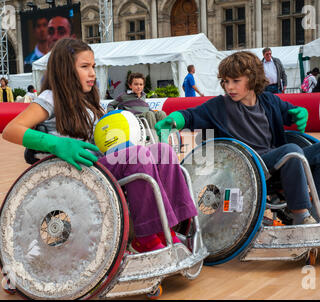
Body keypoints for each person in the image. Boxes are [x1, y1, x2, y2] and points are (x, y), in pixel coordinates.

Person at [2, 38, 198, 254]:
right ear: (65, 70)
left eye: (93, 67)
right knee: (136, 156)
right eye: (85, 67)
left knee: (162, 152)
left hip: (96, 167)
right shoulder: (51, 97)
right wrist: (57, 143)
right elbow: (12, 130)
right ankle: (146, 237)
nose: (92, 73)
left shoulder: (89, 102)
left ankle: (172, 225)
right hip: (74, 172)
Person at [155, 51, 320, 225]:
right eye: (226, 81)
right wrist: (174, 120)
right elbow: (190, 115)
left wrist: (299, 113)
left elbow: (289, 112)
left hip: (276, 161)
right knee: (292, 152)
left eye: (235, 81)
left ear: (252, 78)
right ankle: (301, 216)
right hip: (247, 165)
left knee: (314, 150)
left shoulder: (269, 100)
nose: (229, 87)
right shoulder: (219, 106)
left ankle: (315, 211)